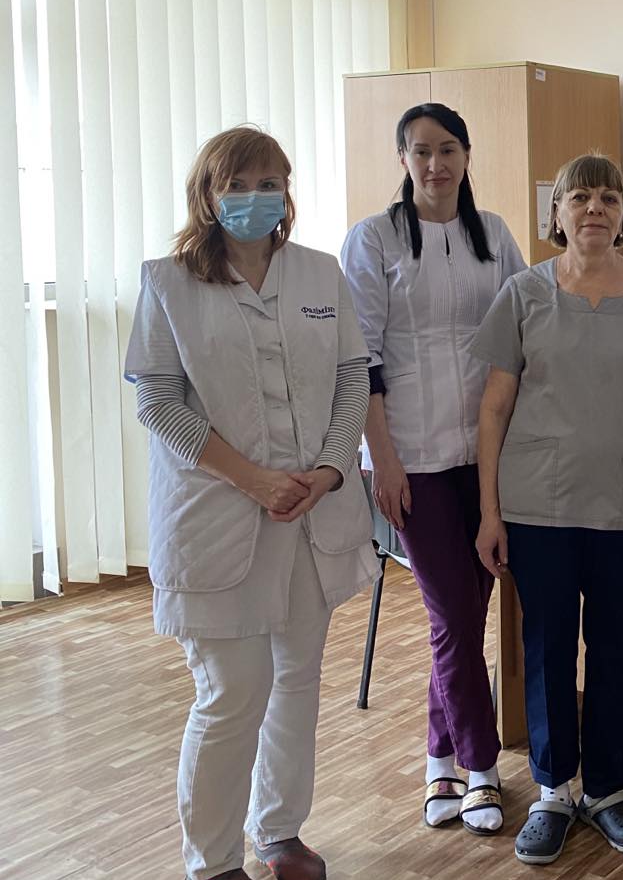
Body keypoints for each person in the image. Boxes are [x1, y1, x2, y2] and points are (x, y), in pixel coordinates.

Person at [125, 126, 377, 880]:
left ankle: (280, 832)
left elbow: (353, 379)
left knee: (296, 679)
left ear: (287, 192)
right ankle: (212, 862)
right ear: (207, 195)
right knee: (234, 690)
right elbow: (159, 402)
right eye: (236, 184)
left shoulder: (319, 273)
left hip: (311, 512)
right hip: (217, 515)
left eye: (269, 183)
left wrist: (328, 472)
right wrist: (253, 479)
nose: (254, 197)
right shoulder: (168, 283)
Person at [471, 153, 623, 865]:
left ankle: (606, 790)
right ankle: (552, 792)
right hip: (539, 505)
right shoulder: (522, 294)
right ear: (558, 213)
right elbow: (494, 406)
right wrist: (489, 512)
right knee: (546, 650)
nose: (594, 209)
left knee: (614, 653)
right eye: (579, 198)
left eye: (607, 198)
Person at [341, 102, 527, 835]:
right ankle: (482, 770)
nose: (435, 163)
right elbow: (360, 357)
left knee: (465, 618)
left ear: (467, 155)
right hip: (410, 457)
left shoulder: (494, 235)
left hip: (486, 454)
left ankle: (438, 758)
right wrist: (382, 459)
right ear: (403, 160)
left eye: (447, 149)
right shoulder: (374, 239)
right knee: (452, 615)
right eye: (420, 151)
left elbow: (523, 327)